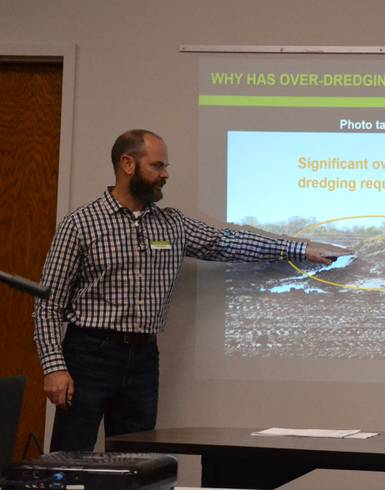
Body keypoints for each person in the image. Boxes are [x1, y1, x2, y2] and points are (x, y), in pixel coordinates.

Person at [33, 129, 348, 451]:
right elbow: (47, 304)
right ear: (128, 164)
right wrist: (54, 367)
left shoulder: (172, 224)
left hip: (142, 357)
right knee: (69, 459)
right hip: (88, 355)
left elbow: (227, 242)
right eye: (157, 166)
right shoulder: (80, 224)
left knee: (136, 460)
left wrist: (299, 248)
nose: (165, 175)